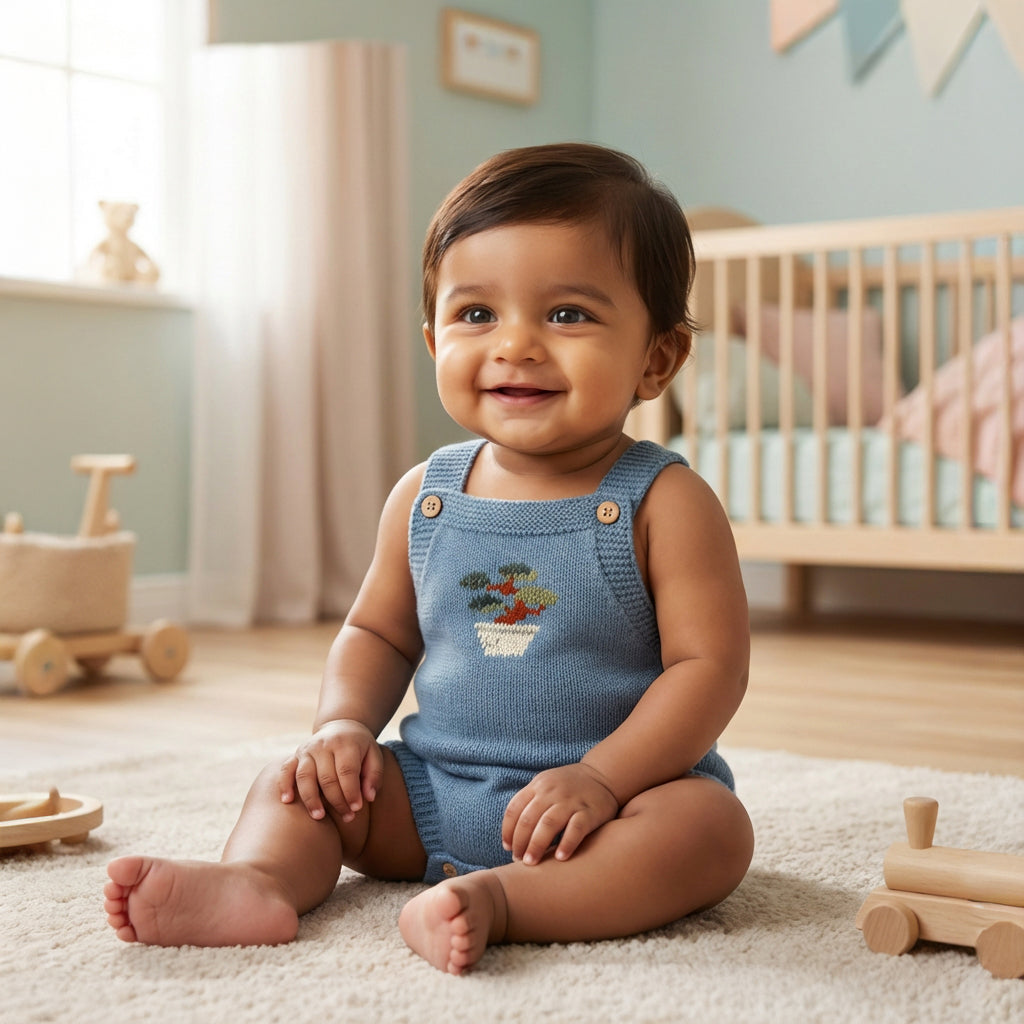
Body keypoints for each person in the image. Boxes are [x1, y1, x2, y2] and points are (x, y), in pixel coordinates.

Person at [104, 142, 754, 975]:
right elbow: (377, 634)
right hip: (431, 794)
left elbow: (708, 670)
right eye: (476, 314)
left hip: (614, 804)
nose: (515, 344)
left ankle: (508, 902)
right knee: (297, 781)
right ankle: (258, 880)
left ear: (657, 358)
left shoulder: (662, 500)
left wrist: (601, 777)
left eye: (567, 315)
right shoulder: (427, 494)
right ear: (432, 337)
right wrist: (341, 727)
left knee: (710, 833)